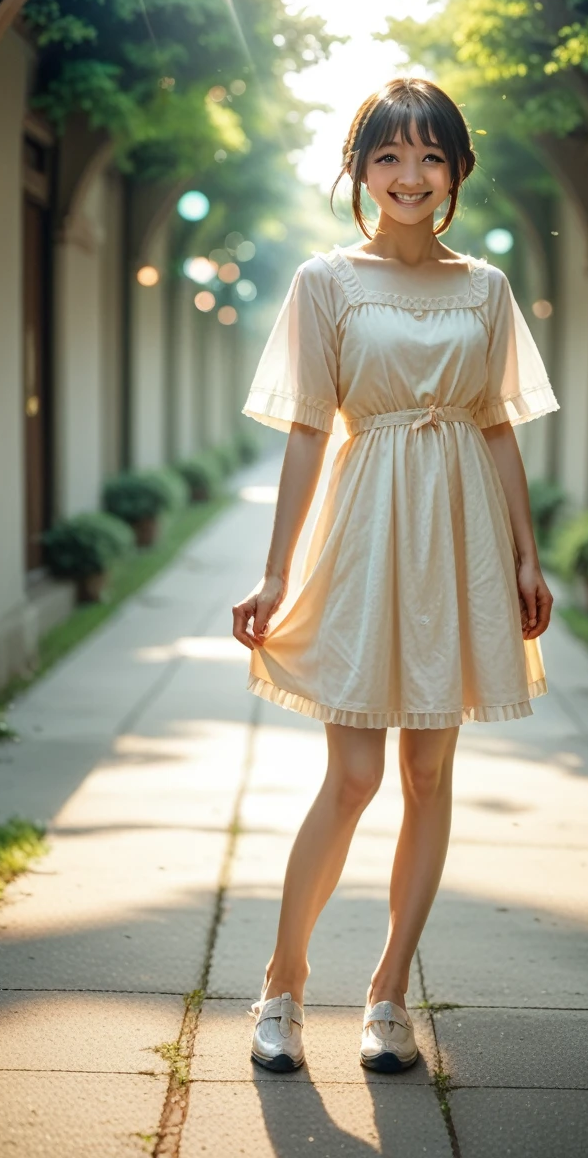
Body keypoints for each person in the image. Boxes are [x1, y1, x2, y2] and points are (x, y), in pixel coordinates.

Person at [232, 77, 559, 1074]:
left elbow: (497, 425)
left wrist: (525, 550)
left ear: (457, 169)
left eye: (428, 156)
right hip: (366, 523)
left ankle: (386, 995)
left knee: (428, 771)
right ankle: (281, 986)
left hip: (457, 530)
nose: (408, 176)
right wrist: (275, 571)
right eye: (387, 157)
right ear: (359, 170)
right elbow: (302, 432)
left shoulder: (486, 288)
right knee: (355, 775)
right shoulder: (325, 281)